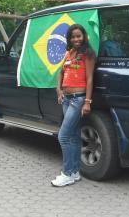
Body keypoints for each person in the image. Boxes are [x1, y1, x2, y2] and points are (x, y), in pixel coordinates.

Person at [51, 24, 95, 187]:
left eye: (79, 36)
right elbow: (61, 72)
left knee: (63, 136)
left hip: (78, 99)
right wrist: (59, 89)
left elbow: (90, 79)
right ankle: (75, 172)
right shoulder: (69, 53)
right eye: (73, 37)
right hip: (67, 99)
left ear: (84, 36)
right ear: (69, 39)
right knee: (74, 136)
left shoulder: (87, 54)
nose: (76, 39)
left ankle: (67, 173)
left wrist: (87, 102)